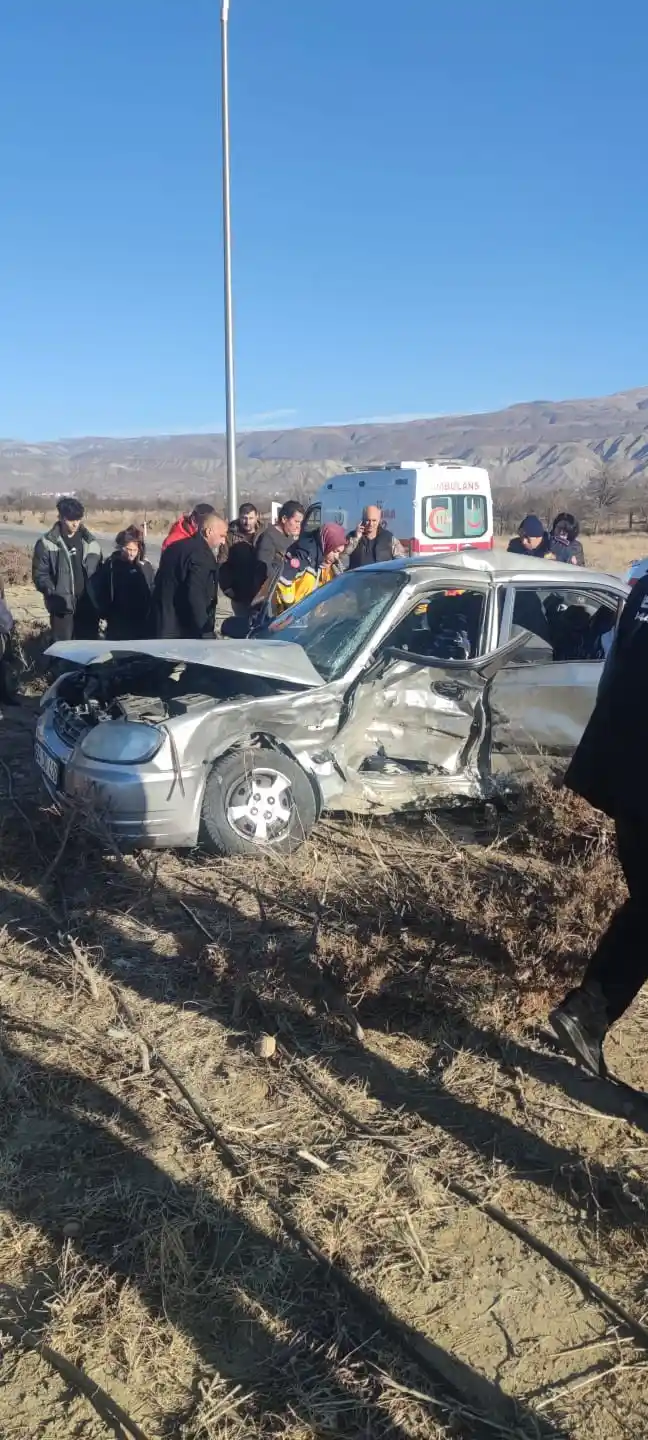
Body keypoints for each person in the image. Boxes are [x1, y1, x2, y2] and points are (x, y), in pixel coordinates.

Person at [549, 571, 648, 1077]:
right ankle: (588, 1011)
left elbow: (614, 675)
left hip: (622, 775)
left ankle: (588, 1012)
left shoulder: (644, 588)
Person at [32, 497, 103, 641]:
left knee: (87, 647)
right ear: (61, 517)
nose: (75, 523)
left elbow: (100, 572)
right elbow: (40, 574)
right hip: (62, 606)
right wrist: (53, 591)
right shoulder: (47, 543)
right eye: (71, 519)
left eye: (78, 519)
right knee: (63, 649)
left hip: (87, 604)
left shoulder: (91, 542)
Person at [151, 512, 228, 639]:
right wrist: (205, 630)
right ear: (209, 532)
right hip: (184, 630)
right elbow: (195, 594)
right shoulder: (202, 556)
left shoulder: (174, 547)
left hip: (162, 622)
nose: (223, 541)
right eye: (222, 536)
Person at [90, 525, 155, 641]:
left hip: (140, 620)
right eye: (128, 549)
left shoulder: (145, 566)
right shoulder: (111, 565)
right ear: (121, 547)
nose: (131, 554)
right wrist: (102, 611)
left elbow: (151, 588)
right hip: (117, 619)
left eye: (135, 550)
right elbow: (100, 589)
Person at [272, 522, 347, 615]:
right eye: (335, 551)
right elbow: (283, 580)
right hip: (289, 618)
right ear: (327, 543)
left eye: (339, 552)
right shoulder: (305, 555)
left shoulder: (325, 561)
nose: (337, 556)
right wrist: (290, 609)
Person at [219, 503, 265, 618]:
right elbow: (222, 563)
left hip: (263, 591)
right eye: (244, 518)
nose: (247, 522)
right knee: (243, 626)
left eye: (250, 518)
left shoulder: (265, 534)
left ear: (257, 517)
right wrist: (227, 588)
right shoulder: (230, 536)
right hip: (239, 592)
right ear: (239, 517)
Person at [254, 502, 305, 591]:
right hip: (272, 592)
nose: (298, 526)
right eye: (296, 522)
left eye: (300, 523)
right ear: (284, 519)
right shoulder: (268, 538)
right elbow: (263, 569)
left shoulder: (289, 537)